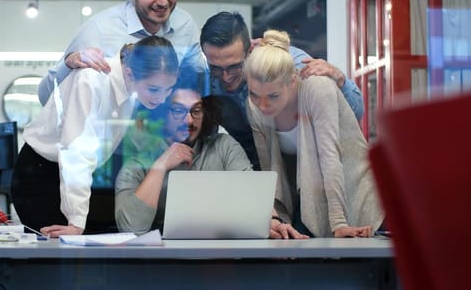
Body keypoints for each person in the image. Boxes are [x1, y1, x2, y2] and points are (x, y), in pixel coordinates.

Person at [11, 36, 179, 237]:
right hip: (40, 176)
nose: (161, 98)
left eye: (168, 90)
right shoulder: (91, 80)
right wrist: (76, 221)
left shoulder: (130, 85)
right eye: (154, 89)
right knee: (60, 254)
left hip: (80, 178)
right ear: (129, 73)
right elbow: (76, 154)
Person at [114, 69, 307, 239]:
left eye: (196, 110)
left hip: (220, 260)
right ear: (163, 114)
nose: (189, 120)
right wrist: (160, 166)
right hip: (164, 264)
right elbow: (133, 228)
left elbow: (250, 196)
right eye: (178, 111)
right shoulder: (137, 165)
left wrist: (271, 221)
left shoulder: (223, 146)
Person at [244, 29, 384, 238]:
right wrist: (277, 220)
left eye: (273, 96)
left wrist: (339, 223)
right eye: (255, 94)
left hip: (355, 195)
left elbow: (330, 157)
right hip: (311, 201)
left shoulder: (317, 88)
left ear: (292, 82)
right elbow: (270, 171)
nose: (263, 105)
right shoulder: (254, 106)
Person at [37, 0, 206, 106]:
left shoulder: (185, 25)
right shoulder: (99, 30)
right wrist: (68, 64)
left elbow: (199, 84)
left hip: (162, 132)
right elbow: (46, 97)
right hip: (111, 132)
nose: (162, 1)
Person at [200, 12, 364, 170]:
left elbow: (355, 113)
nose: (226, 77)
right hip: (257, 167)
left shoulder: (286, 63)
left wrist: (340, 80)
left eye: (234, 67)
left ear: (249, 50)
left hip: (312, 164)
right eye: (215, 68)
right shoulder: (205, 81)